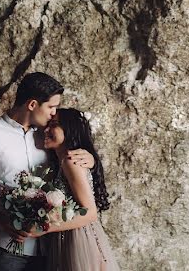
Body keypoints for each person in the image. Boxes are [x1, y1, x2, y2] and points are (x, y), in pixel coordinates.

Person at [0, 73, 95, 271]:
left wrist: (89, 160)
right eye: (50, 107)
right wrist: (4, 222)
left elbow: (72, 163)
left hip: (53, 249)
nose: (53, 113)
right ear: (32, 104)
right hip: (8, 250)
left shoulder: (48, 136)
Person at [35, 108, 120, 271]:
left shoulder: (70, 161)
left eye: (53, 125)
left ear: (69, 129)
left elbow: (90, 213)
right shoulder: (60, 163)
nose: (45, 130)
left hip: (78, 238)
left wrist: (43, 227)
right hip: (66, 236)